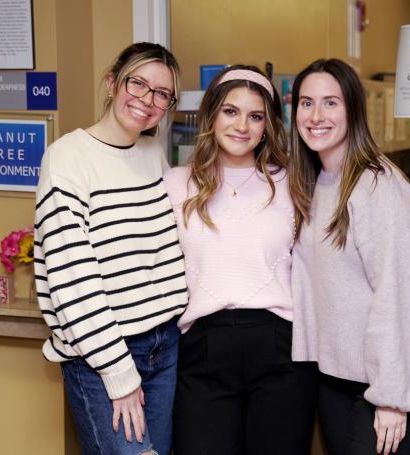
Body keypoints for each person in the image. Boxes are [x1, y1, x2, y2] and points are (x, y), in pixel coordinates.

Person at [34, 42, 188, 455]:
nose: (147, 100)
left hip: (164, 345)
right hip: (105, 354)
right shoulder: (67, 158)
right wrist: (119, 375)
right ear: (112, 82)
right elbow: (73, 281)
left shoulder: (152, 153)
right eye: (137, 84)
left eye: (161, 94)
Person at [288, 58, 410, 455]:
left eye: (330, 103)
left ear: (353, 110)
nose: (316, 115)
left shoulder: (376, 186)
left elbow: (398, 295)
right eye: (306, 103)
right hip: (337, 376)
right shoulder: (316, 180)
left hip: (390, 381)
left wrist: (391, 397)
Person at [163, 65, 318, 455]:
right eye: (231, 111)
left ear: (268, 124)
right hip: (202, 350)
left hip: (281, 350)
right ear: (212, 113)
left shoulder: (294, 182)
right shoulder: (176, 184)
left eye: (255, 116)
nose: (242, 126)